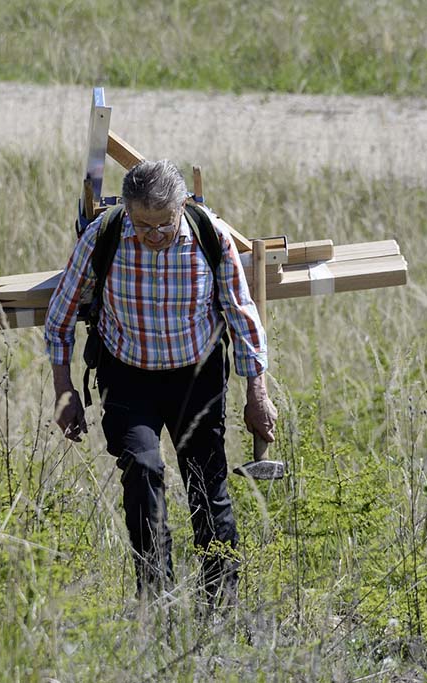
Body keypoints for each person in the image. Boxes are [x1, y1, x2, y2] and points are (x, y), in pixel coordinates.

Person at [44, 159, 277, 606]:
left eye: (163, 224)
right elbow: (59, 319)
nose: (152, 235)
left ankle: (221, 608)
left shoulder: (210, 236)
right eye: (142, 224)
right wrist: (65, 390)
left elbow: (243, 317)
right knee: (143, 473)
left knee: (208, 487)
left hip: (196, 377)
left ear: (182, 206)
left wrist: (257, 394)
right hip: (128, 377)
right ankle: (155, 601)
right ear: (128, 211)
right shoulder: (105, 235)